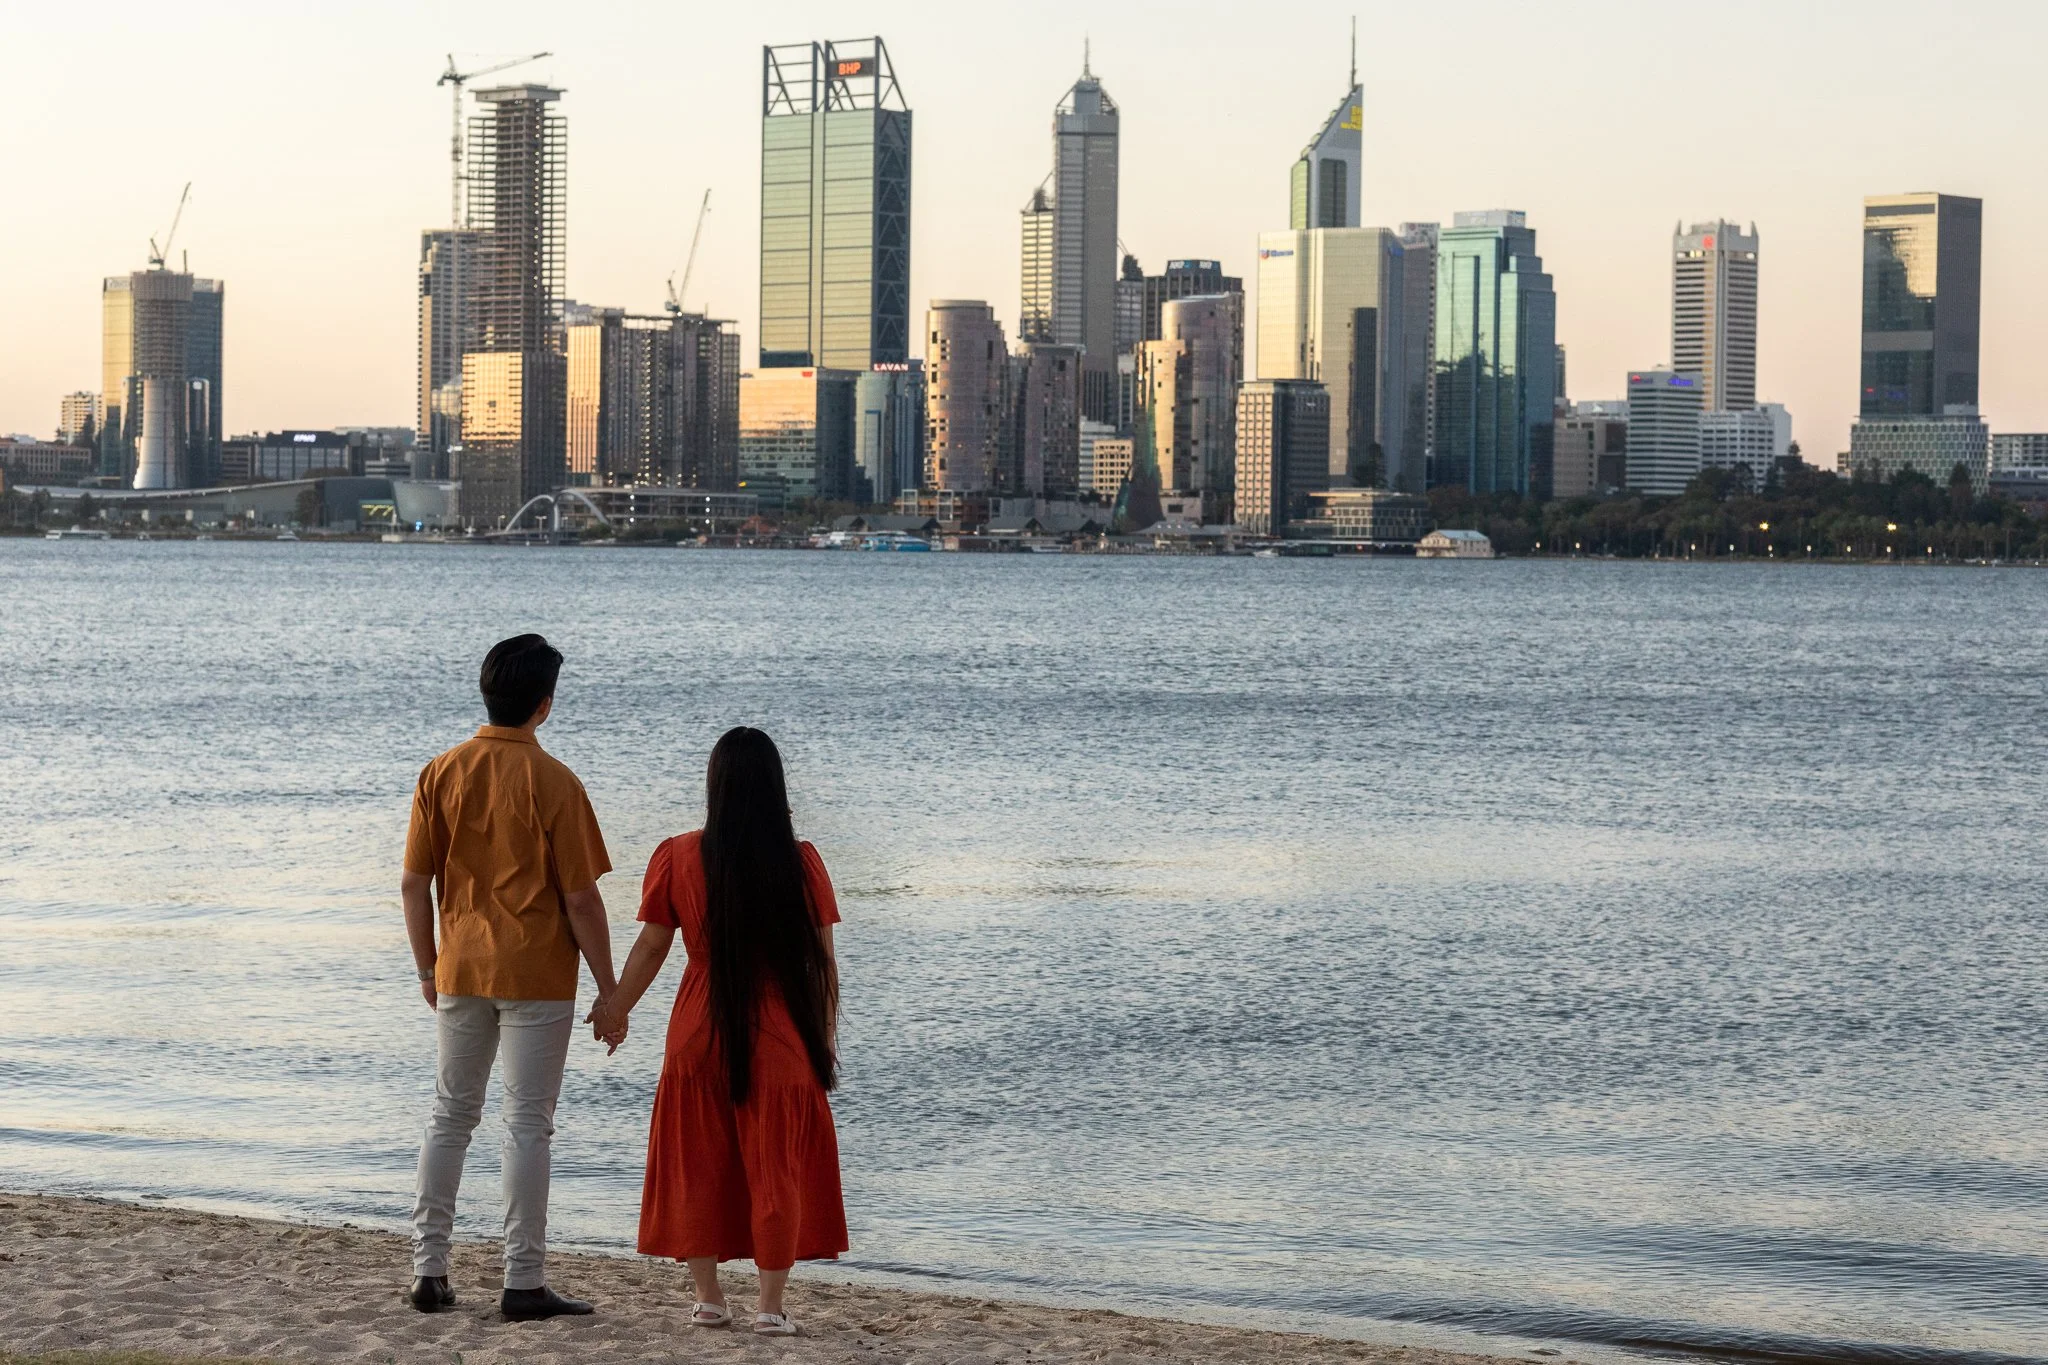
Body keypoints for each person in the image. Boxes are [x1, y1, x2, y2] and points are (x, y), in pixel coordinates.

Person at [399, 633, 625, 1321]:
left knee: (450, 1116)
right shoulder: (556, 782)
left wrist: (426, 964)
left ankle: (428, 1269)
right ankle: (523, 1281)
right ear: (545, 706)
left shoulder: (441, 771)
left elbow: (414, 883)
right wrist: (610, 990)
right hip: (537, 973)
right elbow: (582, 899)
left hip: (460, 963)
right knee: (528, 1124)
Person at [606, 726, 847, 1337]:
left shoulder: (679, 855)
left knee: (697, 1164)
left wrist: (617, 1006)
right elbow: (821, 963)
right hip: (780, 1031)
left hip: (697, 1025)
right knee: (778, 1169)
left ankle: (709, 1298)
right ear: (776, 788)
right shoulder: (800, 862)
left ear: (714, 786)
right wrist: (823, 1040)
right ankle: (770, 1308)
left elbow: (653, 945)